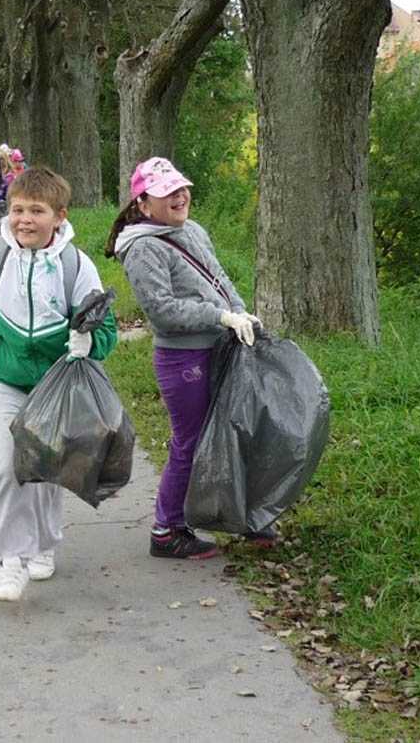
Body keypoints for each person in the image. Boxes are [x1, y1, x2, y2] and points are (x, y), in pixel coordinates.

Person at [0, 167, 118, 601]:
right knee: (6, 464)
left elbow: (104, 325)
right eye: (17, 209)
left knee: (45, 468)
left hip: (55, 386)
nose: (24, 220)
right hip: (3, 377)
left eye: (36, 211)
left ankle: (42, 543)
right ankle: (8, 561)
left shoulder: (76, 264)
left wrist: (88, 340)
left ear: (59, 216)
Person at [105, 156, 268, 558]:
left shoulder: (192, 230)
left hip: (221, 346)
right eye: (167, 193)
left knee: (234, 433)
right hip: (184, 360)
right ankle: (166, 529)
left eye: (181, 189)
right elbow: (162, 309)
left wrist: (239, 310)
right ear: (144, 204)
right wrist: (219, 315)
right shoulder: (143, 249)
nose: (180, 197)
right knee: (191, 442)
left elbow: (217, 278)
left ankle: (239, 516)